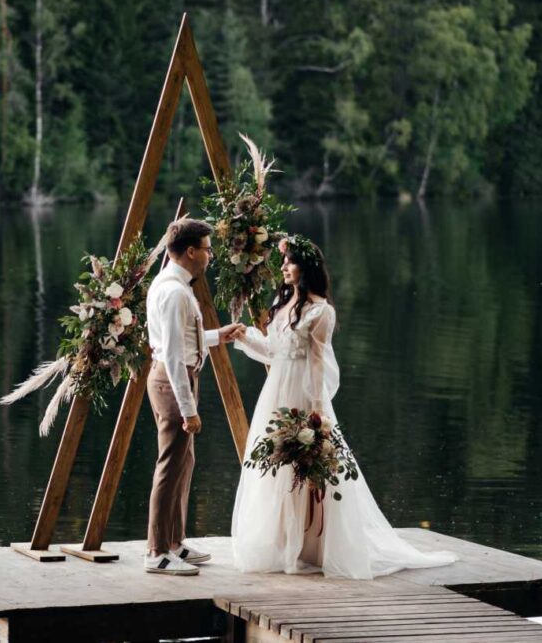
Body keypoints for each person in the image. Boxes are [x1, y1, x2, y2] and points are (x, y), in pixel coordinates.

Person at [230, 234, 456, 578]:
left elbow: (318, 364)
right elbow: (276, 353)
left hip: (303, 397)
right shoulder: (284, 302)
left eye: (290, 262)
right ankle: (283, 544)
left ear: (306, 268)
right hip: (275, 395)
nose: (284, 267)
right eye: (284, 261)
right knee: (275, 469)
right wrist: (246, 338)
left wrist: (317, 414)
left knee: (311, 466)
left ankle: (315, 548)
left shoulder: (322, 311)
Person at [144, 218, 242, 575]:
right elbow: (171, 354)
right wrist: (189, 410)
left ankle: (174, 543)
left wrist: (220, 336)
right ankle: (156, 553)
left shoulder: (176, 284)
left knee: (185, 463)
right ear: (190, 252)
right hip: (173, 381)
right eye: (207, 248)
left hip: (180, 375)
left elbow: (186, 337)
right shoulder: (172, 291)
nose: (210, 255)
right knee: (169, 467)